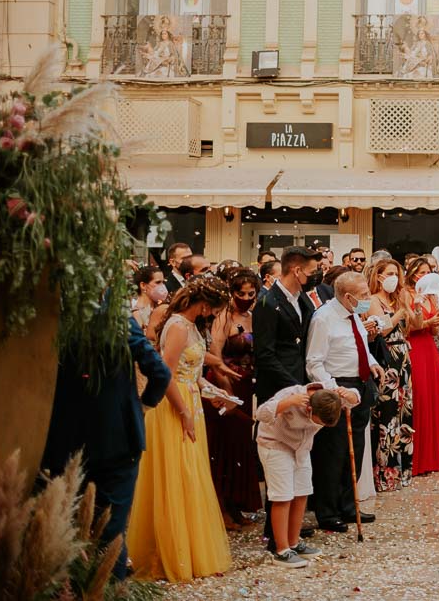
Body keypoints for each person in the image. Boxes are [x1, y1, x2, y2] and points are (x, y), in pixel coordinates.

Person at [42, 315, 172, 579]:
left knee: (64, 528)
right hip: (119, 438)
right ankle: (110, 589)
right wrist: (144, 405)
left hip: (66, 440)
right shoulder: (120, 319)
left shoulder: (53, 319)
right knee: (112, 532)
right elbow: (160, 372)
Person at [127, 277, 233, 581]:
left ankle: (188, 549)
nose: (213, 315)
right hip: (173, 407)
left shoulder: (189, 327)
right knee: (176, 475)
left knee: (190, 475)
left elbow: (192, 373)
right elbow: (166, 375)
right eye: (213, 310)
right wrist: (184, 411)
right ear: (203, 305)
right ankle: (169, 552)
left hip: (191, 401)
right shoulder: (176, 326)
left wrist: (213, 392)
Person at [253, 245, 322, 551]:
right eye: (311, 271)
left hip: (300, 381)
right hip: (279, 387)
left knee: (298, 463)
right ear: (297, 270)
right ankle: (274, 536)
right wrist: (295, 387)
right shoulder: (267, 302)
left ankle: (291, 535)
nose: (314, 276)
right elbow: (265, 355)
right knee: (278, 466)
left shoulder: (302, 300)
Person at [306, 271, 382, 531]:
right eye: (363, 295)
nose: (368, 299)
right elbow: (314, 362)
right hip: (338, 385)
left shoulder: (353, 316)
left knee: (356, 450)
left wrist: (372, 364)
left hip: (359, 384)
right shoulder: (324, 319)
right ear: (347, 296)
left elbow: (358, 344)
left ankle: (349, 505)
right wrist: (334, 390)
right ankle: (328, 512)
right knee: (333, 453)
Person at [256, 383, 358, 569]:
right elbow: (260, 413)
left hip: (301, 448)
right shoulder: (291, 395)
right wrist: (286, 403)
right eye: (317, 421)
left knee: (302, 492)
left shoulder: (329, 396)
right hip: (275, 444)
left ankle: (294, 542)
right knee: (283, 496)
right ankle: (281, 550)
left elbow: (355, 399)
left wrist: (350, 394)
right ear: (309, 408)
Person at [205, 267, 262, 530]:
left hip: (247, 384)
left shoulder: (253, 316)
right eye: (242, 293)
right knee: (224, 448)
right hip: (225, 382)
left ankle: (237, 505)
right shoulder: (223, 318)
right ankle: (221, 507)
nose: (247, 297)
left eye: (251, 293)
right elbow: (215, 354)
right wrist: (225, 390)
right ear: (232, 292)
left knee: (241, 445)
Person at [366, 259, 414, 492]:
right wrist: (398, 313)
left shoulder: (397, 299)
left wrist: (408, 306)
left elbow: (414, 325)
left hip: (403, 357)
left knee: (403, 413)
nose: (394, 277)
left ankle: (402, 469)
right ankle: (384, 472)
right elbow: (382, 329)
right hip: (386, 358)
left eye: (397, 273)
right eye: (389, 273)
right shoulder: (374, 300)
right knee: (387, 414)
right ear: (379, 276)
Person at [405, 257, 439, 475]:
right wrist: (427, 322)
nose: (424, 275)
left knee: (432, 398)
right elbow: (407, 328)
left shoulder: (431, 296)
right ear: (413, 275)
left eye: (427, 271)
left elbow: (432, 331)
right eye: (421, 271)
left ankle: (432, 458)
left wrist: (435, 322)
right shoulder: (407, 294)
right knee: (419, 398)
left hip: (429, 348)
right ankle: (416, 459)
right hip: (414, 347)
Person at [132, 265, 168, 331]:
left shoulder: (162, 308)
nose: (162, 286)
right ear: (143, 285)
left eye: (163, 282)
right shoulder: (134, 312)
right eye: (158, 282)